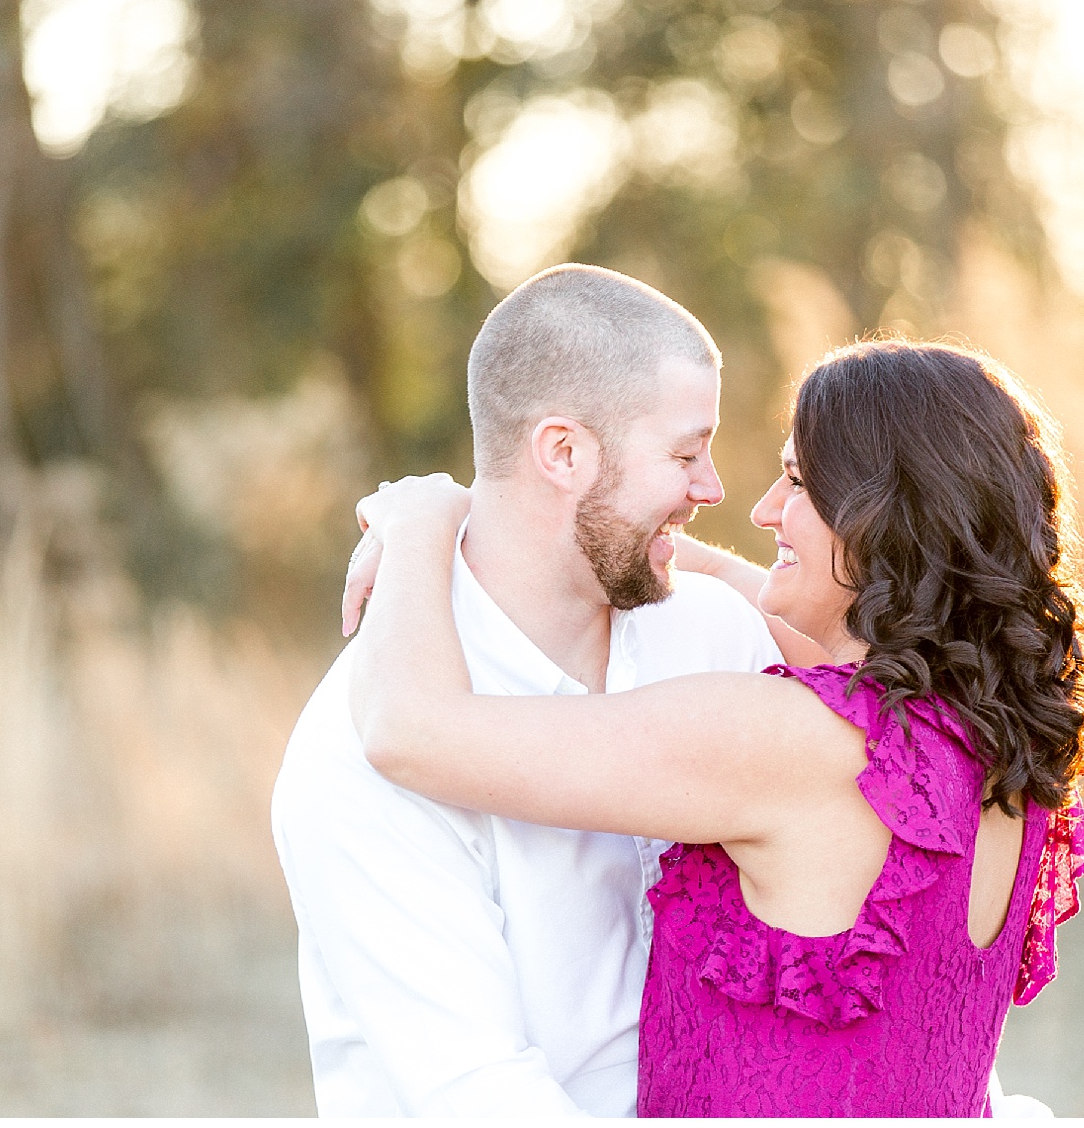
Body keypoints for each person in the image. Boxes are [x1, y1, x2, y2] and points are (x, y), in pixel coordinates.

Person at [344, 338, 1084, 1117]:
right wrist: (540, 519)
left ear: (886, 514)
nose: (762, 509)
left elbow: (410, 731)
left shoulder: (788, 741)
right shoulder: (998, 740)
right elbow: (750, 583)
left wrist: (419, 522)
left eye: (798, 482)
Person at [270, 264, 791, 1116]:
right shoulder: (356, 748)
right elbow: (479, 1097)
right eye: (685, 452)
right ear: (563, 451)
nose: (713, 489)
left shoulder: (711, 633)